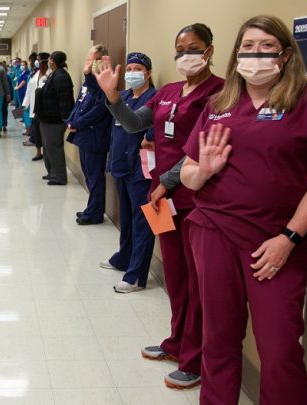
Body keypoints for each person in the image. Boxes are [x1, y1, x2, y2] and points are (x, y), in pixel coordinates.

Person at [179, 15, 307, 405]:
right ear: (236, 54)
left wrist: (289, 238)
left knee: (280, 349)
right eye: (248, 47)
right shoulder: (219, 104)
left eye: (266, 46)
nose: (255, 55)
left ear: (285, 54)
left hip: (276, 242)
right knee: (218, 340)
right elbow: (188, 173)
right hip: (214, 232)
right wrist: (204, 171)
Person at [94, 23, 224, 388]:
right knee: (176, 275)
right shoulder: (168, 91)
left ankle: (195, 359)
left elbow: (201, 148)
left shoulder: (220, 94)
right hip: (162, 200)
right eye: (180, 49)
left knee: (197, 282)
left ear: (210, 51)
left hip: (195, 200)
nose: (185, 55)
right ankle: (176, 343)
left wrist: (166, 182)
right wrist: (113, 97)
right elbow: (134, 124)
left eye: (193, 48)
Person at [104, 52, 157, 292]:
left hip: (141, 170)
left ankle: (136, 275)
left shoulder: (153, 98)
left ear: (148, 73)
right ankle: (123, 257)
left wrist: (150, 136)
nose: (132, 73)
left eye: (138, 69)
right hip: (121, 166)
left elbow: (156, 128)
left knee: (142, 222)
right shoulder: (123, 96)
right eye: (129, 69)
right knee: (126, 218)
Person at [66, 45, 113, 225]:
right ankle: (92, 208)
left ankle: (95, 213)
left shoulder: (104, 84)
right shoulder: (88, 83)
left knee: (95, 177)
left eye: (92, 60)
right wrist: (70, 120)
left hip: (95, 137)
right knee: (88, 175)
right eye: (88, 60)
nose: (88, 63)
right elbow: (79, 105)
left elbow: (99, 110)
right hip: (83, 136)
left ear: (101, 61)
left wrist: (77, 124)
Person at [37, 51, 74, 185]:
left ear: (53, 61)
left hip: (55, 120)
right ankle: (52, 173)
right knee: (48, 147)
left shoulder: (61, 76)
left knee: (54, 147)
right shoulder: (54, 74)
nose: (49, 61)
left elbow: (65, 100)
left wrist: (66, 119)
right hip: (46, 118)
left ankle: (59, 177)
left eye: (50, 59)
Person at [22, 52, 50, 160]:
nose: (36, 62)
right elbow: (29, 91)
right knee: (36, 132)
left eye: (38, 59)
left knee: (45, 134)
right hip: (35, 108)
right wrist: (24, 105)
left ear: (45, 61)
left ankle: (47, 154)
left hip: (46, 108)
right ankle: (38, 152)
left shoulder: (50, 74)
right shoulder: (35, 74)